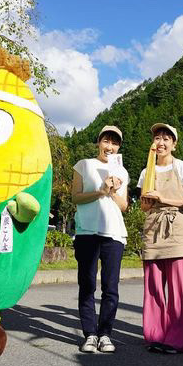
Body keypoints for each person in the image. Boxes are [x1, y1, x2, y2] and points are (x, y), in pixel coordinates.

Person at [137, 123, 183, 354]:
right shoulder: (146, 171)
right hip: (153, 229)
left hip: (176, 229)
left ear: (174, 144)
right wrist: (148, 201)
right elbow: (143, 207)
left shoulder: (181, 167)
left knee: (178, 289)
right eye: (157, 138)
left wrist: (164, 198)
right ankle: (155, 335)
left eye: (166, 138)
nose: (160, 142)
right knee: (153, 287)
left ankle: (177, 340)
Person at [71, 125, 129, 353]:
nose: (110, 147)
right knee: (86, 285)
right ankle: (90, 334)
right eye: (106, 141)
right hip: (87, 232)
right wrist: (101, 191)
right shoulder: (84, 165)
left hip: (114, 233)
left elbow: (123, 206)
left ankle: (105, 334)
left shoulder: (122, 172)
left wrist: (113, 191)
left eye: (115, 143)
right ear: (99, 142)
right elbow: (75, 197)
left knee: (110, 287)